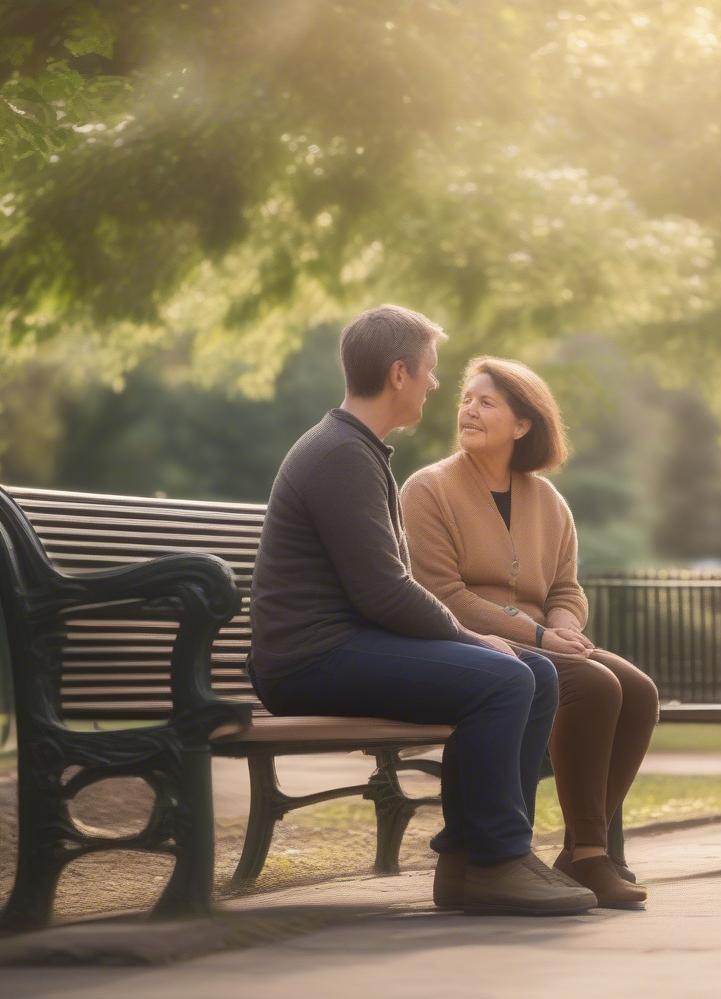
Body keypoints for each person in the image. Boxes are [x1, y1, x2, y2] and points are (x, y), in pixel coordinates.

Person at [248, 307, 596, 916]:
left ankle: (474, 862)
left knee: (534, 673)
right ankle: (496, 859)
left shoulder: (359, 450)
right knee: (506, 676)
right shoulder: (340, 455)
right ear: (400, 373)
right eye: (432, 372)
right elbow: (384, 591)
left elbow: (386, 589)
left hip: (344, 646)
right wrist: (469, 637)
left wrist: (475, 641)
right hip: (310, 658)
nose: (438, 387)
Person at [401, 357, 660, 909]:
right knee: (594, 686)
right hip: (471, 646)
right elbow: (443, 595)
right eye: (465, 399)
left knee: (637, 690)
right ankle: (591, 855)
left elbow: (566, 588)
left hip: (542, 645)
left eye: (486, 402)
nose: (468, 409)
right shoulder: (428, 489)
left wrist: (564, 627)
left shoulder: (548, 501)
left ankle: (581, 851)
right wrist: (540, 638)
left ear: (524, 425)